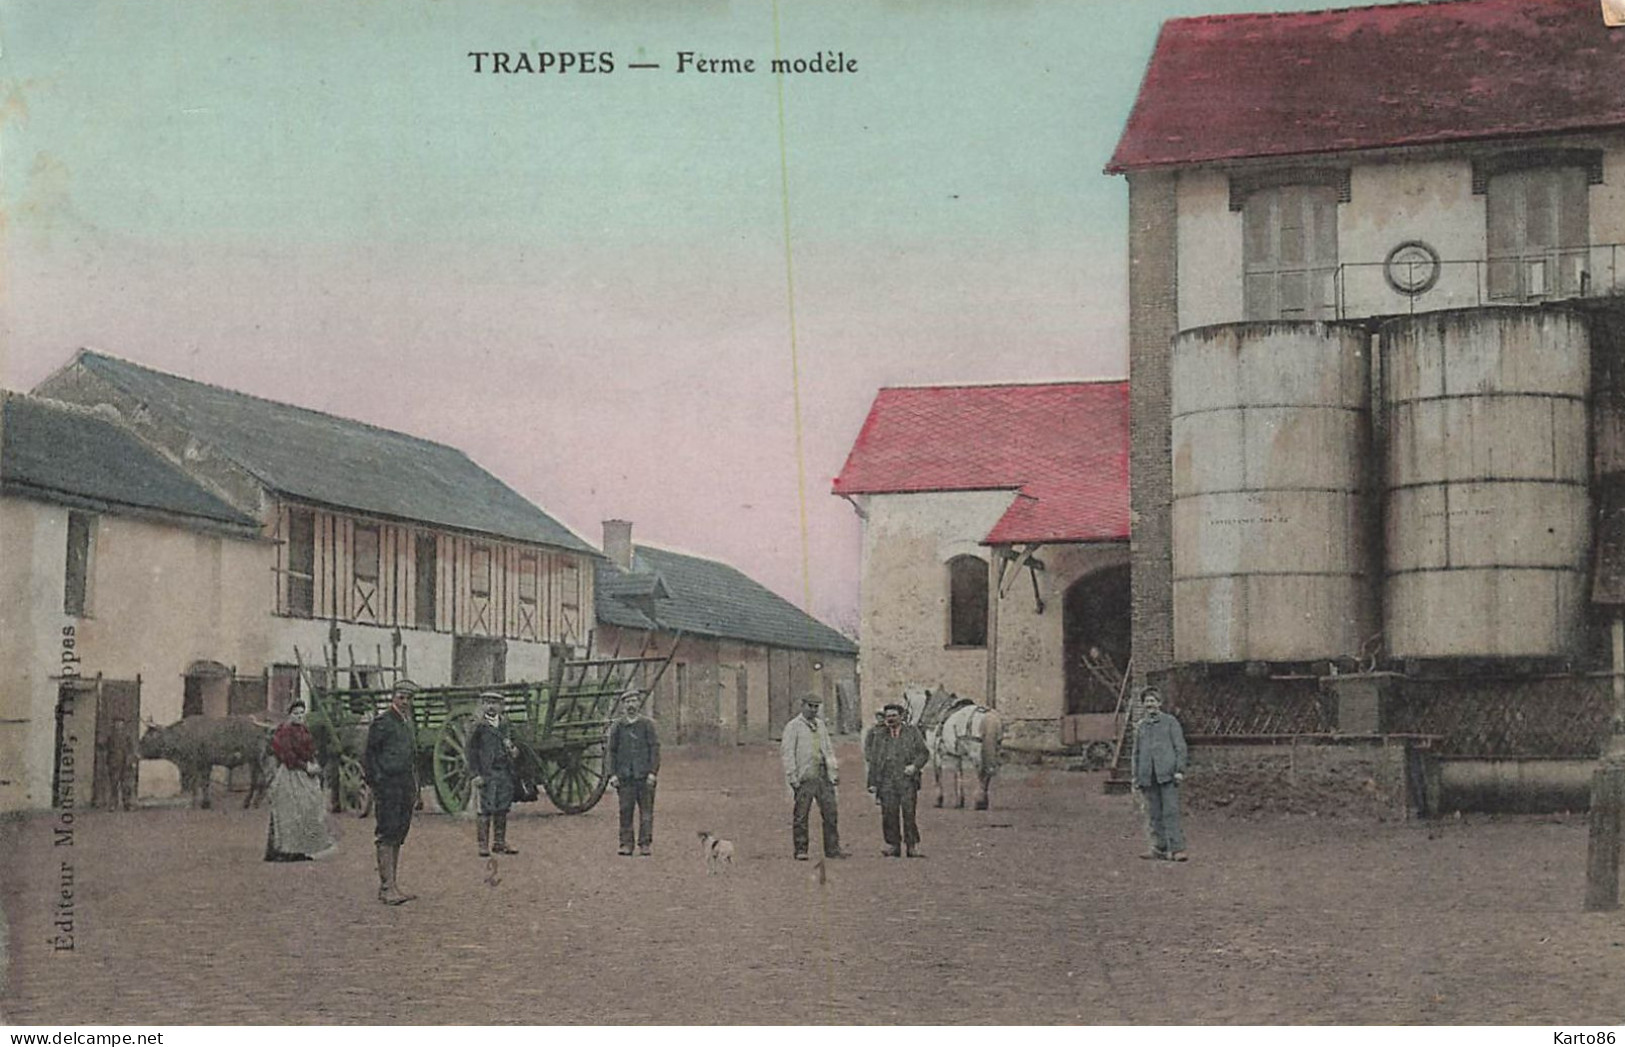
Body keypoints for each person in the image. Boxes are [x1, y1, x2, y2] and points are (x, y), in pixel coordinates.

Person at [363, 678, 420, 903]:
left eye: (409, 698)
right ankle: (387, 888)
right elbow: (370, 755)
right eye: (401, 697)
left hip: (404, 785)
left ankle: (393, 885)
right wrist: (377, 781)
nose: (405, 702)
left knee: (398, 834)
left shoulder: (406, 724)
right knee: (387, 833)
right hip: (388, 785)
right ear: (393, 697)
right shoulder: (383, 722)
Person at [264, 700, 335, 862]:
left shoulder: (303, 729)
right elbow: (287, 754)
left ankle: (303, 848)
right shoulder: (284, 731)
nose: (299, 716)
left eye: (302, 713)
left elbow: (310, 749)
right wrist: (305, 766)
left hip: (305, 772)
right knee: (289, 811)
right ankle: (285, 850)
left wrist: (313, 763)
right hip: (291, 772)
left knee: (309, 808)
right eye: (296, 713)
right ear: (290, 715)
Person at [780, 694, 847, 861]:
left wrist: (833, 771)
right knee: (801, 815)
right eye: (810, 706)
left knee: (831, 813)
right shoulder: (793, 726)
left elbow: (828, 749)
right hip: (805, 777)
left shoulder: (821, 725)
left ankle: (832, 849)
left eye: (816, 707)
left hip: (823, 776)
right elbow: (787, 753)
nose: (813, 710)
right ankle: (801, 849)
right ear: (802, 705)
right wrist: (792, 776)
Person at [1131, 688, 1189, 862]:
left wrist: (1179, 770)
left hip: (1168, 775)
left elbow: (1180, 747)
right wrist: (1136, 776)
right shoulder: (1141, 726)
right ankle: (1159, 848)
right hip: (1148, 776)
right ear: (1143, 705)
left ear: (1159, 703)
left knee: (1170, 812)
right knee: (1153, 813)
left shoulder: (1170, 722)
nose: (1150, 705)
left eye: (1153, 701)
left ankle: (1177, 849)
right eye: (1147, 701)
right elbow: (1137, 753)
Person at [867, 702, 930, 858]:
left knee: (909, 814)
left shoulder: (912, 732)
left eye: (894, 716)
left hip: (907, 780)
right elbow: (874, 759)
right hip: (887, 781)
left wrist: (914, 766)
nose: (891, 719)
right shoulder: (879, 734)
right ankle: (893, 845)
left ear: (901, 717)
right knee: (889, 814)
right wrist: (872, 783)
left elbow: (923, 753)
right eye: (888, 716)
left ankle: (911, 846)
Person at [606, 689, 660, 856]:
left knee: (646, 813)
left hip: (644, 777)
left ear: (638, 704)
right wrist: (613, 774)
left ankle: (645, 844)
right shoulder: (618, 726)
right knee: (625, 811)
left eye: (634, 701)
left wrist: (652, 772)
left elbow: (654, 749)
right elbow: (611, 751)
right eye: (627, 702)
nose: (631, 705)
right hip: (625, 777)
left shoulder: (647, 725)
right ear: (623, 705)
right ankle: (626, 844)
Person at [468, 692, 520, 858]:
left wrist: (514, 751)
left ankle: (499, 842)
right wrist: (475, 774)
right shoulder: (479, 726)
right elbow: (470, 751)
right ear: (482, 705)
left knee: (502, 807)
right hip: (486, 773)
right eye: (488, 702)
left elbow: (516, 744)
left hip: (504, 771)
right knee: (485, 808)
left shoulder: (505, 724)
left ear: (501, 706)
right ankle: (483, 845)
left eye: (495, 703)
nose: (491, 706)